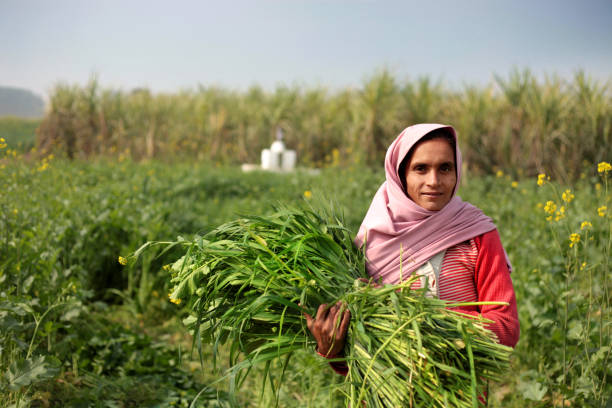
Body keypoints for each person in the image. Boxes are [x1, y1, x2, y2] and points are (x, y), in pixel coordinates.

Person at [304, 123, 520, 376]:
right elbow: (354, 358)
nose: (434, 181)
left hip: (458, 394)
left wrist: (422, 322)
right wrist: (331, 347)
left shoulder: (477, 233)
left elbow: (505, 327)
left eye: (445, 168)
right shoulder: (371, 243)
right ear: (401, 174)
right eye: (420, 169)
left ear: (457, 172)